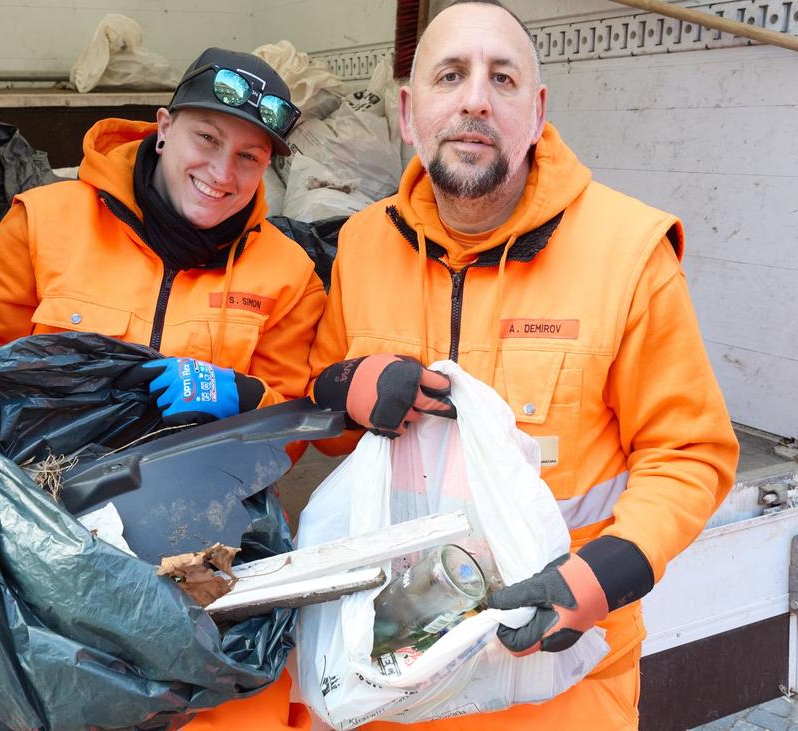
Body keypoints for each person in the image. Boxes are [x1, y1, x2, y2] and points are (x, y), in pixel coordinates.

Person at [307, 1, 739, 727]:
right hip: (391, 661)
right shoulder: (360, 243)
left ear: (536, 113)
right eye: (451, 75)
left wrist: (610, 571)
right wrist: (347, 388)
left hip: (561, 668)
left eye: (502, 79)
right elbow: (324, 411)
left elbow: (689, 451)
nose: (476, 99)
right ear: (409, 114)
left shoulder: (629, 252)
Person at [0, 48, 322, 730]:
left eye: (250, 157)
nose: (223, 174)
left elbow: (293, 417)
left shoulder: (288, 273)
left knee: (238, 699)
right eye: (206, 139)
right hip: (36, 528)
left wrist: (245, 399)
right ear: (163, 127)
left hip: (190, 539)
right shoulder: (50, 220)